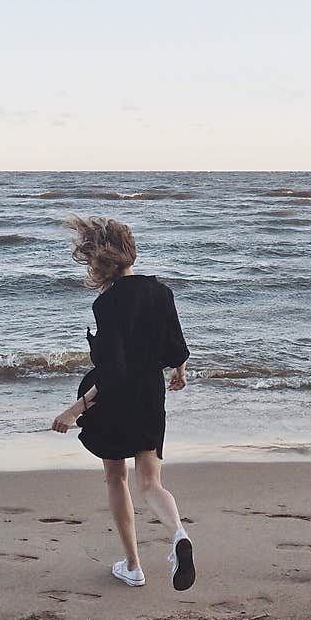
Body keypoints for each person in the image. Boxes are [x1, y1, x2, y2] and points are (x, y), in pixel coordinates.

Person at [51, 214, 195, 591]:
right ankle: (178, 533)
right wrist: (179, 370)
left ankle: (133, 565)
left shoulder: (109, 304)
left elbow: (112, 372)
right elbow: (176, 347)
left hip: (116, 401)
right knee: (151, 482)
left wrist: (77, 408)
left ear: (99, 262)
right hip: (150, 393)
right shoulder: (161, 292)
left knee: (116, 477)